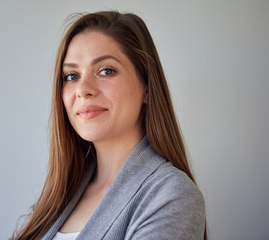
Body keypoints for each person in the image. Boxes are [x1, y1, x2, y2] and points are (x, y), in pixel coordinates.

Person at [12, 11, 206, 240]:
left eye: (106, 71)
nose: (83, 89)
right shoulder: (58, 198)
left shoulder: (172, 195)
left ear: (146, 87)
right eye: (72, 76)